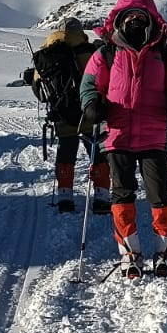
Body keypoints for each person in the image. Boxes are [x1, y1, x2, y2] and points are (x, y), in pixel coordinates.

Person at [78, 0, 167, 278]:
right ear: (118, 19)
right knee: (121, 194)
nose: (134, 20)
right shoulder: (105, 53)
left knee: (160, 195)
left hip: (154, 135)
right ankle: (129, 253)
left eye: (140, 16)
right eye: (128, 15)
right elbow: (89, 86)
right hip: (116, 135)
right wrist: (91, 105)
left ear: (151, 19)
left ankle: (165, 254)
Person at [23, 17, 110, 215]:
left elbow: (40, 91)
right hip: (90, 112)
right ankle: (102, 197)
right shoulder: (91, 52)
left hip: (62, 113)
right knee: (97, 153)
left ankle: (65, 197)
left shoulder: (46, 54)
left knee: (66, 155)